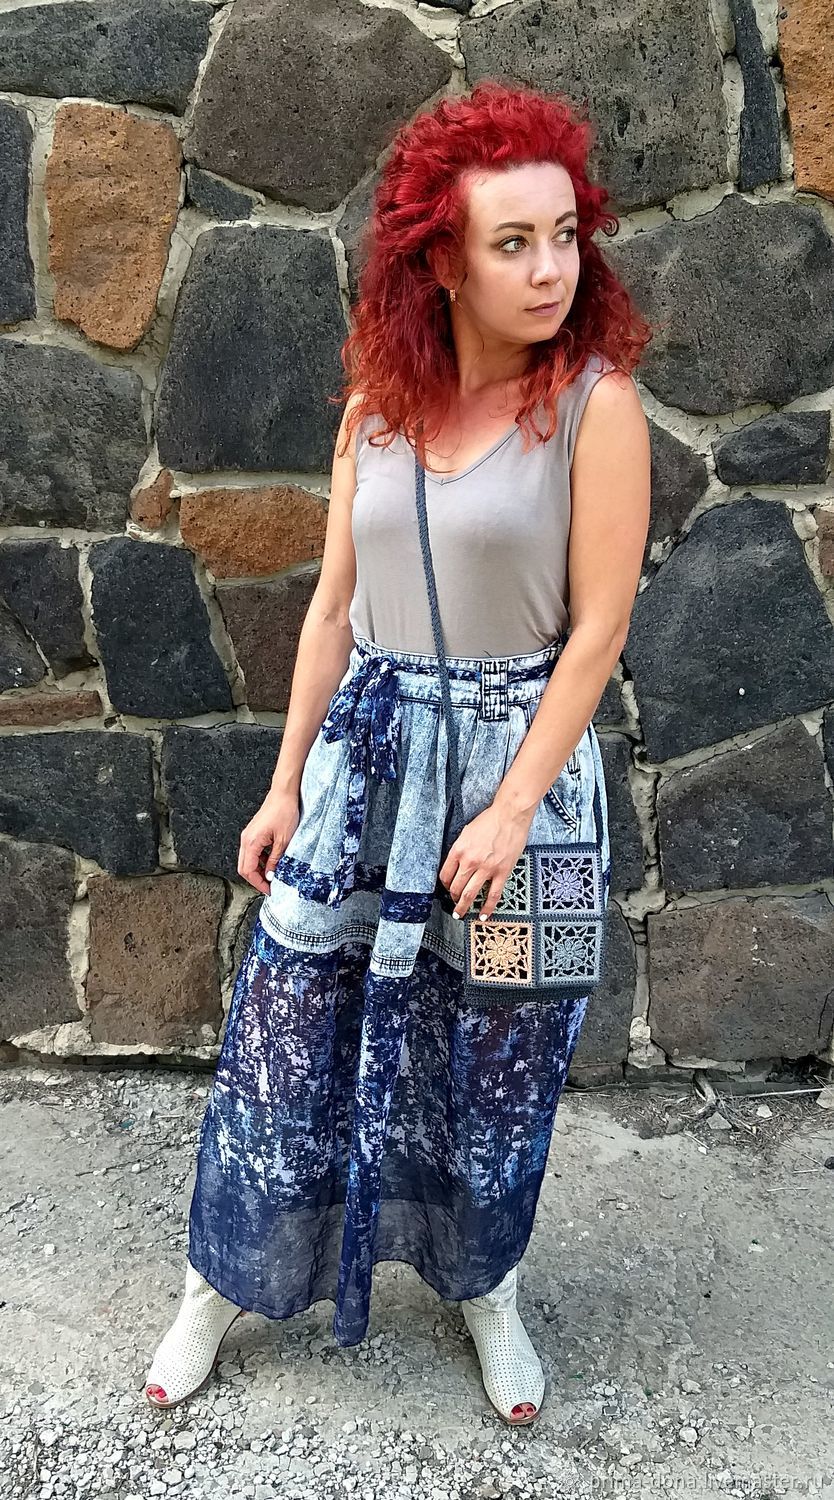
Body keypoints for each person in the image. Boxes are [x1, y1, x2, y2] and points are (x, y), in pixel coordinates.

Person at [144, 78, 652, 1426]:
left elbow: (597, 633)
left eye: (563, 236)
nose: (549, 269)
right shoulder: (376, 403)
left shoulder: (595, 407)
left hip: (521, 784)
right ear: (441, 259)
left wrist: (512, 807)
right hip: (366, 765)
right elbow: (330, 611)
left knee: (496, 1065)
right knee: (290, 1028)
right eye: (512, 242)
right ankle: (218, 1284)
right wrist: (281, 783)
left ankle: (486, 1290)